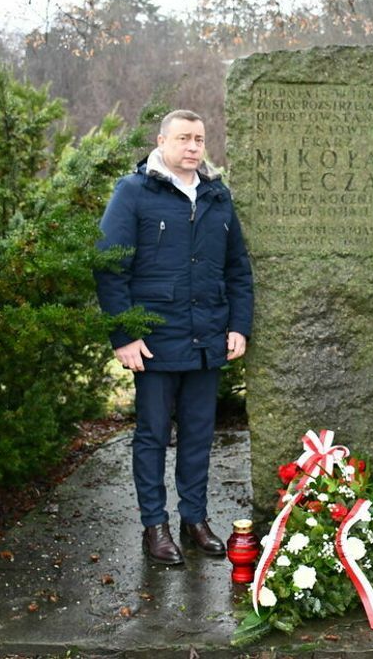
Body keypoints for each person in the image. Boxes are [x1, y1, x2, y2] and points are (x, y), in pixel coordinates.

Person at [95, 109, 254, 565]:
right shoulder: (134, 192)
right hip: (154, 341)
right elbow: (110, 265)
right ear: (162, 140)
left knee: (200, 434)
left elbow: (237, 269)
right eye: (183, 138)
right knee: (152, 436)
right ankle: (155, 525)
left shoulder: (216, 196)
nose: (192, 147)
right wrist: (124, 336)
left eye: (199, 139)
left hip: (207, 340)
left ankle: (194, 519)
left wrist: (238, 325)